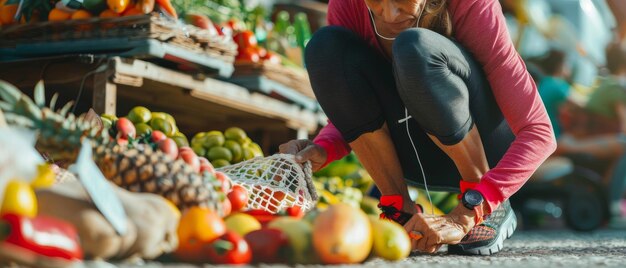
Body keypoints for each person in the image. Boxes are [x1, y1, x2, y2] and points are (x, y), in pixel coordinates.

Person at [280, 0, 556, 255]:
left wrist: (474, 205)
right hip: (410, 156)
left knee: (414, 47)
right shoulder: (348, 5)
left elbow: (539, 132)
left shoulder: (473, 5)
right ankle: (398, 208)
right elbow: (350, 96)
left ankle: (481, 205)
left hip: (485, 153)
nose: (388, 15)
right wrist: (324, 147)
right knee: (325, 46)